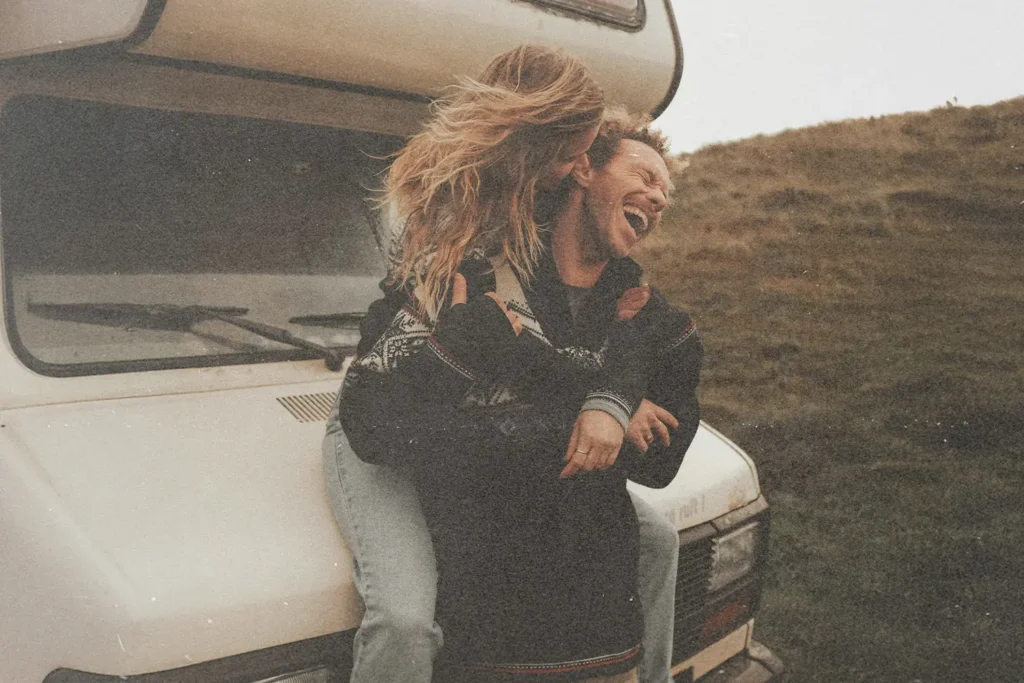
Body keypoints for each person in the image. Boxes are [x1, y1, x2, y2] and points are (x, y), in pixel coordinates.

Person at [323, 46, 684, 683]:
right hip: (385, 419)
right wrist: (594, 399)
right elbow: (405, 394)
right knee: (404, 618)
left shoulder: (539, 224)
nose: (581, 166)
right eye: (575, 151)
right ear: (534, 143)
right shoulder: (454, 232)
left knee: (654, 541)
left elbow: (539, 345)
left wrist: (606, 398)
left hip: (452, 412)